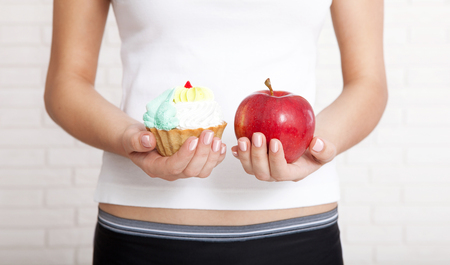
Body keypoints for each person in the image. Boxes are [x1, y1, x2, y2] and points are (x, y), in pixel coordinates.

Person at [44, 0, 387, 264]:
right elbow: (66, 84)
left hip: (298, 231)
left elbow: (368, 82)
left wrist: (316, 146)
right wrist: (130, 138)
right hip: (142, 234)